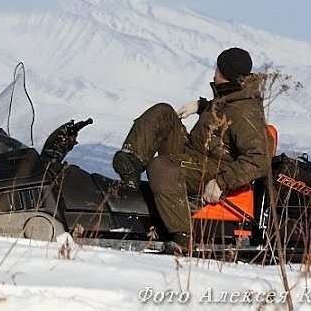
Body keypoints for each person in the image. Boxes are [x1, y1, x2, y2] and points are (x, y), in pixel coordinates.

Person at [110, 47, 269, 255]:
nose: (214, 73)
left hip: (215, 169)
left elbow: (259, 159)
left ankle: (183, 236)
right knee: (164, 112)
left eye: (218, 69)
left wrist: (221, 182)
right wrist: (202, 106)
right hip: (195, 154)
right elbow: (224, 115)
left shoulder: (246, 112)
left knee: (161, 167)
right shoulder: (231, 95)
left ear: (224, 73)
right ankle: (130, 167)